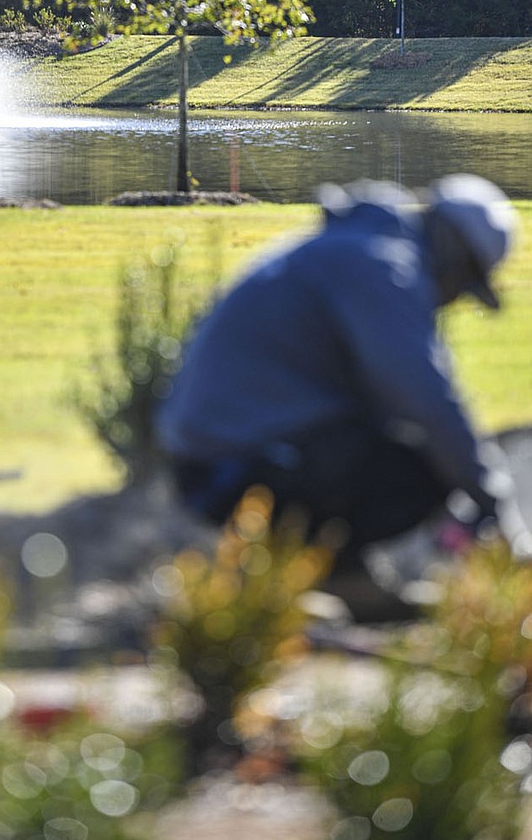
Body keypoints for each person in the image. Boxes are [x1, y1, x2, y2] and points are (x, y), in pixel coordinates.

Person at [157, 175, 518, 559]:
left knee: (399, 445)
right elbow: (427, 401)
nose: (454, 299)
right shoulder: (382, 265)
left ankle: (337, 576)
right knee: (419, 471)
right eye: (464, 284)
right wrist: (495, 502)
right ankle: (334, 578)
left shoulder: (361, 248)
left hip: (211, 458)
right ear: (452, 251)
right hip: (229, 470)